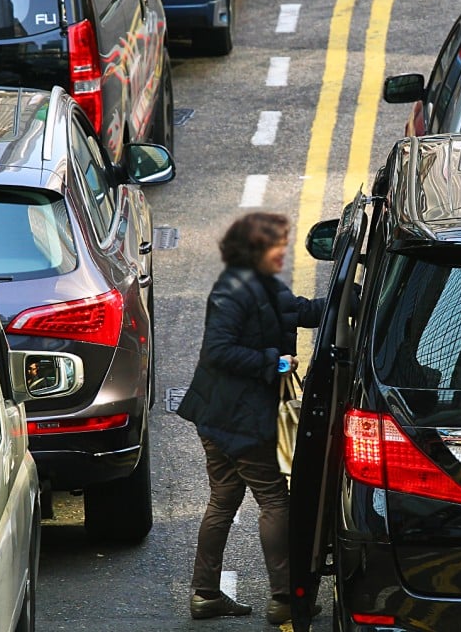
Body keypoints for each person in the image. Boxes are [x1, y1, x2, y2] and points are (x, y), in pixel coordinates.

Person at [177, 212, 325, 625]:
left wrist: (357, 299)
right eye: (277, 245)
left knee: (223, 500)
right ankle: (283, 597)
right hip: (237, 419)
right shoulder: (233, 292)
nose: (283, 252)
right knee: (275, 500)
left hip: (220, 417)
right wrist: (275, 362)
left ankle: (205, 594)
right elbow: (218, 351)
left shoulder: (261, 286)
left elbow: (300, 310)